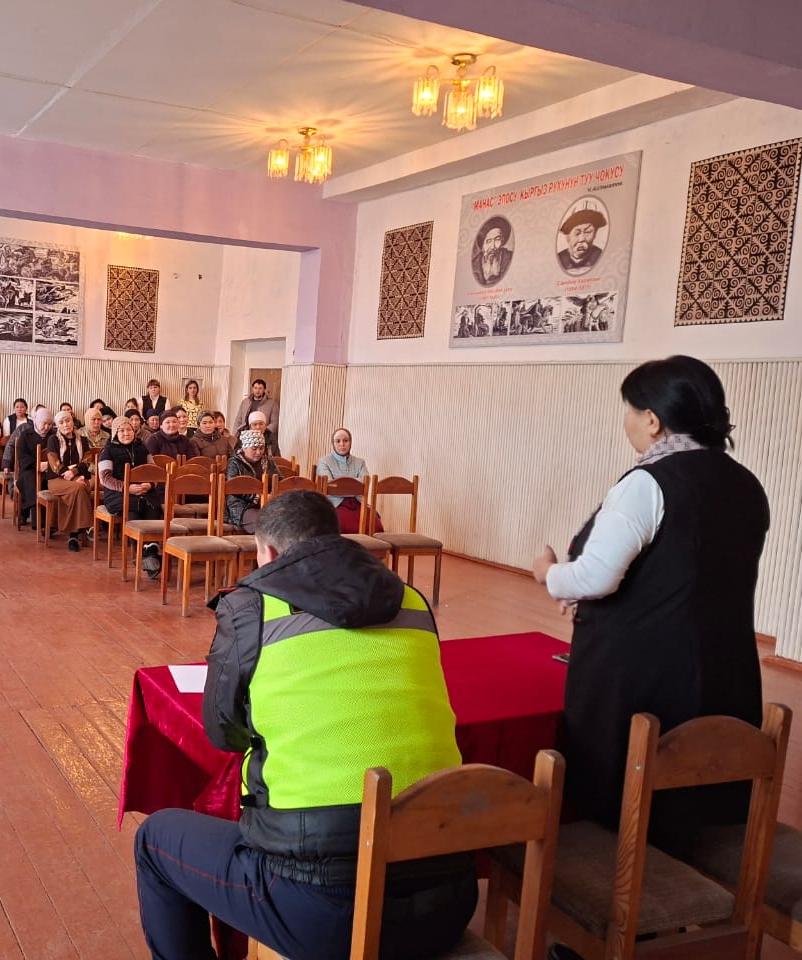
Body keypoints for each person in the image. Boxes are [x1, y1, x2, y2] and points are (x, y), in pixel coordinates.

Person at [135, 490, 475, 960]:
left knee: (155, 840)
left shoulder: (251, 606)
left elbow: (223, 733)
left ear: (270, 552)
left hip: (323, 911)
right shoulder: (412, 598)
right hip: (446, 905)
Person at [532, 355, 768, 846]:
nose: (627, 421)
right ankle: (693, 862)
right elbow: (686, 574)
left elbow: (597, 576)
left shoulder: (649, 482)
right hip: (723, 663)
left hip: (643, 673)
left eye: (630, 410)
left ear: (653, 420)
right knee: (700, 789)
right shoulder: (745, 483)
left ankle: (621, 872)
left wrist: (550, 575)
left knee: (629, 789)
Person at [97, 418, 162, 575]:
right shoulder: (108, 450)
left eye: (129, 430)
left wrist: (150, 484)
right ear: (115, 433)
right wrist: (127, 487)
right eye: (122, 430)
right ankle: (148, 553)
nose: (126, 433)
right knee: (133, 510)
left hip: (144, 491)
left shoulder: (142, 447)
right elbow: (105, 479)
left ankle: (149, 551)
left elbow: (153, 471)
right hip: (118, 492)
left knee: (154, 509)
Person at [45, 410, 95, 552]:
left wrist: (74, 472)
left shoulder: (83, 440)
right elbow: (54, 464)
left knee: (78, 490)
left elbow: (87, 461)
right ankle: (87, 526)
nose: (65, 424)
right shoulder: (53, 440)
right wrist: (72, 476)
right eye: (61, 422)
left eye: (68, 421)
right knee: (80, 488)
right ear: (57, 426)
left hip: (79, 477)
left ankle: (73, 536)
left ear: (73, 422)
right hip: (57, 480)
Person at [315, 428, 372, 535]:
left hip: (358, 503)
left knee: (376, 525)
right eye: (338, 441)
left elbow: (365, 482)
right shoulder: (324, 461)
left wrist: (341, 484)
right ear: (333, 443)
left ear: (350, 442)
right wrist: (355, 485)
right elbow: (330, 485)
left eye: (345, 440)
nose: (342, 444)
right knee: (341, 524)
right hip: (335, 504)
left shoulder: (360, 462)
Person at [225, 431, 280, 534]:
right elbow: (233, 487)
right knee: (264, 524)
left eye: (261, 448)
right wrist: (258, 497)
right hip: (241, 506)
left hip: (268, 503)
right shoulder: (234, 462)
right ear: (244, 448)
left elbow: (280, 481)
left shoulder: (269, 461)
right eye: (254, 449)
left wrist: (272, 495)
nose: (258, 452)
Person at [15, 407, 55, 528]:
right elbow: (22, 456)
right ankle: (36, 519)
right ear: (37, 421)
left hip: (49, 469)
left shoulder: (54, 436)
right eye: (44, 423)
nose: (46, 427)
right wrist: (37, 464)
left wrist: (48, 465)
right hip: (29, 468)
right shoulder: (25, 435)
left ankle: (49, 520)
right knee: (32, 481)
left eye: (49, 424)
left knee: (48, 481)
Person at [557, 204, 607, 275]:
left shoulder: (601, 256)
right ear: (567, 237)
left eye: (588, 232)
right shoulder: (560, 259)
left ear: (595, 234)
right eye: (577, 233)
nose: (582, 239)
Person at [470, 216, 514, 286]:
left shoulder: (509, 258)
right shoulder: (475, 265)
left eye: (497, 239)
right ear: (482, 246)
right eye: (488, 241)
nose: (493, 247)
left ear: (502, 240)